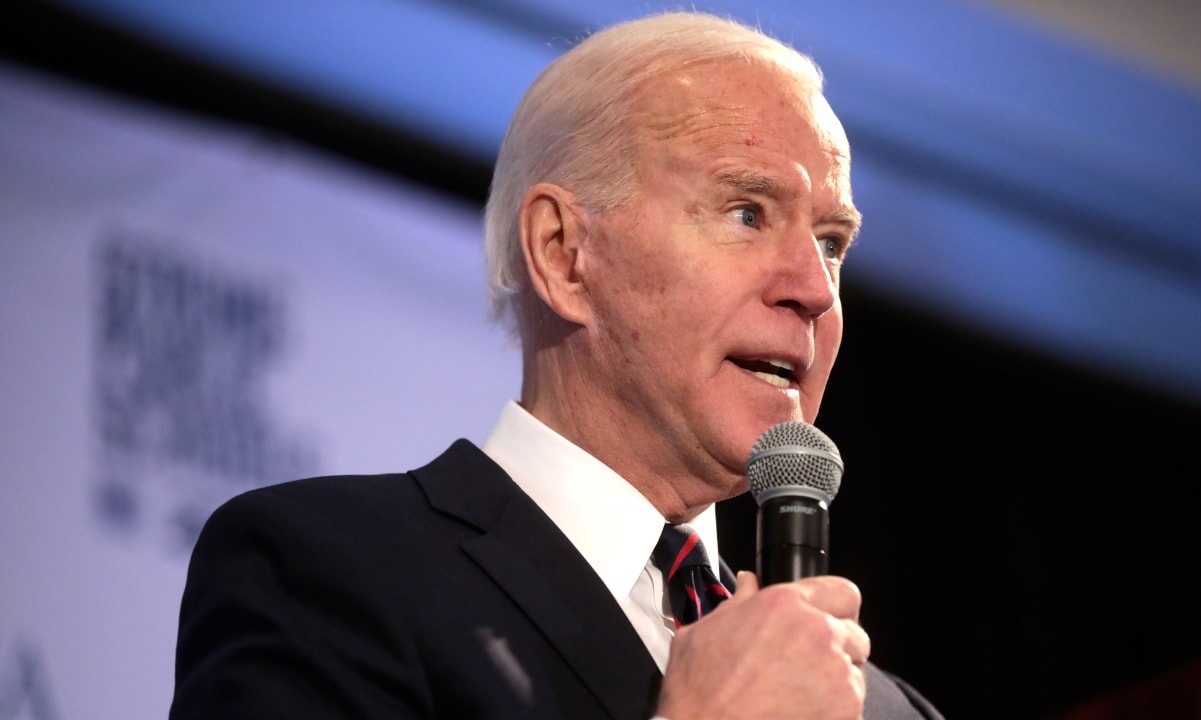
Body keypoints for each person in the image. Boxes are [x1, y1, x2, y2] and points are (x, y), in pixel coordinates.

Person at [170, 11, 944, 720]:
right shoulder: (324, 574)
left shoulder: (889, 711)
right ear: (563, 254)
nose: (813, 288)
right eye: (746, 213)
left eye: (832, 243)